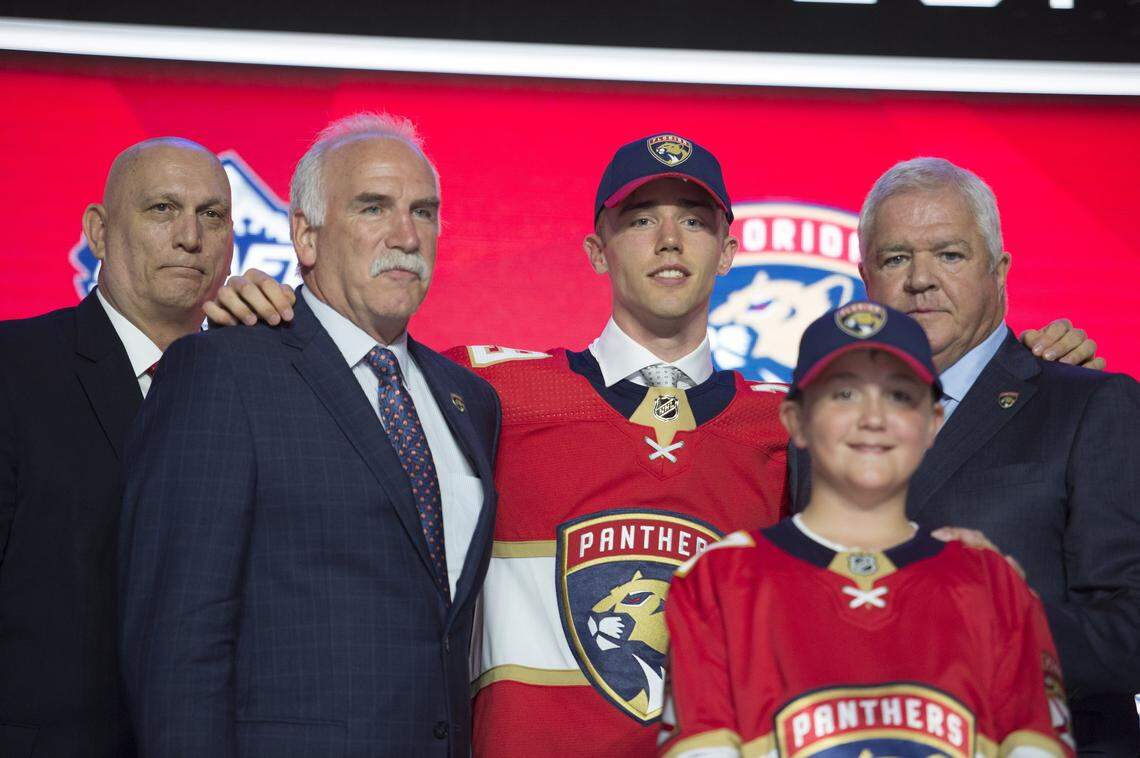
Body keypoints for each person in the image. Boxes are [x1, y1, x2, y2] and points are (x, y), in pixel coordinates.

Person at [211, 135, 1104, 757]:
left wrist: (1033, 358)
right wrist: (277, 306)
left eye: (694, 218)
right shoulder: (481, 386)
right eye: (642, 219)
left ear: (730, 248)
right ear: (597, 250)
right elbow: (351, 363)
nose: (670, 239)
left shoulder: (792, 423)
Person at [117, 113, 500, 758]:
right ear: (305, 234)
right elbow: (177, 645)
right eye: (373, 207)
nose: (405, 235)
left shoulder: (472, 402)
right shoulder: (222, 371)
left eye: (424, 212)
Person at [661, 301, 1075, 758]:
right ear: (794, 420)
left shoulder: (992, 586)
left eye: (899, 394)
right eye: (844, 393)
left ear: (932, 423)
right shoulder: (720, 581)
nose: (873, 418)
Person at [838, 157, 1139, 753]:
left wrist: (1007, 625)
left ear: (999, 271)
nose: (921, 279)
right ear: (865, 279)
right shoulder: (825, 432)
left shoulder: (1088, 404)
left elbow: (1131, 628)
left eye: (949, 254)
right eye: (896, 258)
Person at [0, 138, 233, 758]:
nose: (191, 236)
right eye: (162, 208)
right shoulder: (15, 368)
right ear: (98, 232)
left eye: (212, 215)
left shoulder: (253, 387)